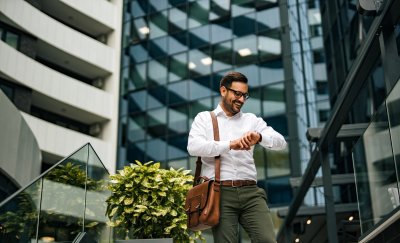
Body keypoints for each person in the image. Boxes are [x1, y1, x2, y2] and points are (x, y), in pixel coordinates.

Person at [187, 71, 287, 243]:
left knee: (267, 240)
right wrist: (230, 145)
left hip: (251, 193)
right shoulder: (204, 118)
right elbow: (194, 147)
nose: (241, 100)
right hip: (220, 193)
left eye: (245, 95)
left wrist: (260, 137)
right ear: (223, 91)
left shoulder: (252, 121)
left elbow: (281, 142)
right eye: (237, 94)